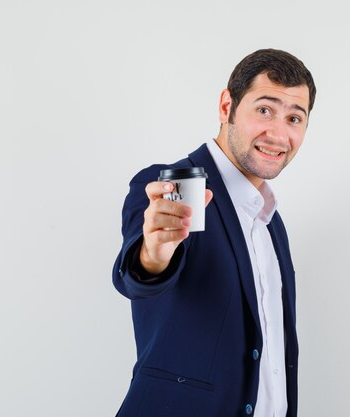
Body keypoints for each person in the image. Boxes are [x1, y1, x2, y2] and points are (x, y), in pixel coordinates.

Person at [112, 48, 316, 417]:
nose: (279, 133)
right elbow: (141, 275)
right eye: (265, 110)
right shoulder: (171, 187)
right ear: (227, 107)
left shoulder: (272, 223)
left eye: (294, 118)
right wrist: (154, 253)